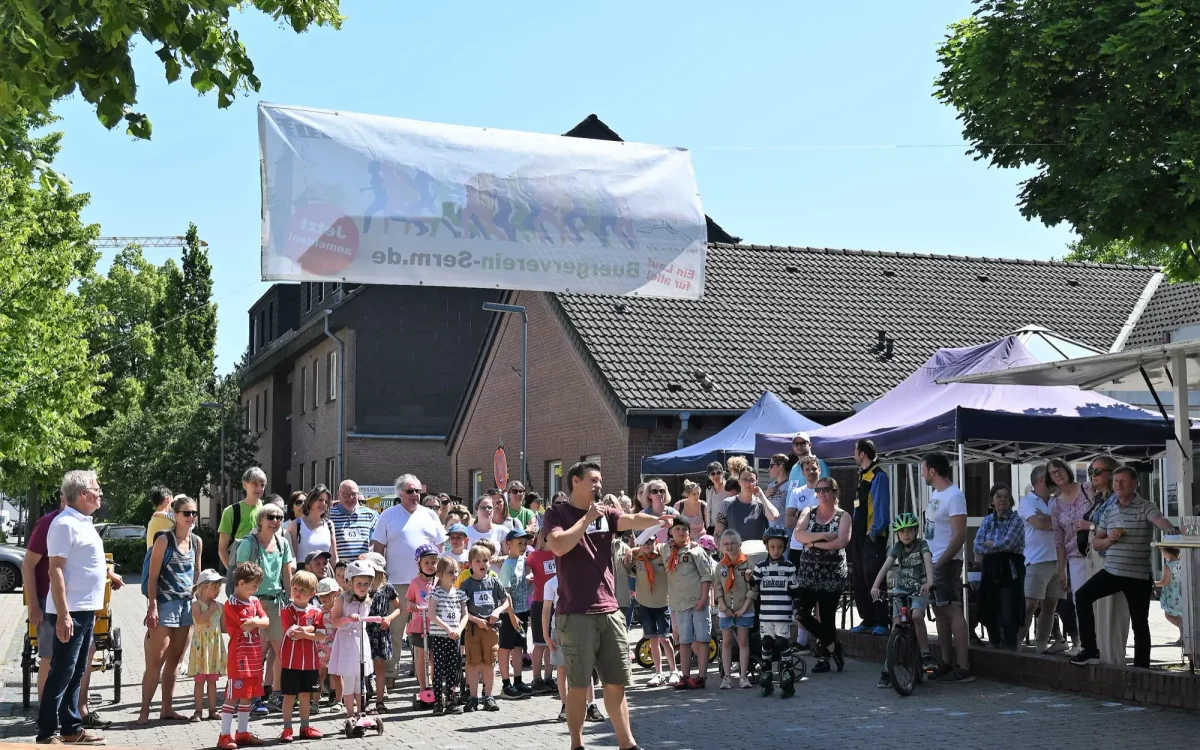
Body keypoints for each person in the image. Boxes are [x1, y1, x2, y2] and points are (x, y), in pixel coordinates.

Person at [542, 460, 670, 750]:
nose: (599, 485)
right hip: (575, 613)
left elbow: (630, 520)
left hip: (610, 610)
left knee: (617, 684)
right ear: (575, 481)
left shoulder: (606, 513)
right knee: (577, 685)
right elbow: (559, 545)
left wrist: (657, 520)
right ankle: (576, 744)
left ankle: (627, 744)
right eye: (593, 480)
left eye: (600, 480)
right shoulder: (556, 513)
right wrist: (586, 519)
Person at [23, 491, 117, 733]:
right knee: (56, 664)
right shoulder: (57, 523)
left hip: (84, 608)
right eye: (97, 489)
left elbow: (83, 562)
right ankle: (47, 728)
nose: (102, 493)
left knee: (76, 668)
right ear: (78, 494)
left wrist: (107, 574)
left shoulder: (83, 522)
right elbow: (41, 567)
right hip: (62, 605)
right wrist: (35, 605)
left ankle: (72, 726)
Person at [1071, 466, 1177, 668]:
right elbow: (1096, 543)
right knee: (1082, 595)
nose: (1118, 485)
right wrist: (1109, 540)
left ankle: (1141, 669)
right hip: (1112, 571)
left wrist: (1172, 531)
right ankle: (1090, 648)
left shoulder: (1146, 506)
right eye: (1115, 481)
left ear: (1135, 483)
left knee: (1140, 623)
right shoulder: (1109, 509)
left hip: (1137, 575)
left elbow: (1160, 521)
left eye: (1123, 481)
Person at [370, 473, 447, 686]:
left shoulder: (430, 515)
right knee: (395, 631)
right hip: (397, 584)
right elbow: (378, 548)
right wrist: (379, 579)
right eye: (410, 491)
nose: (415, 495)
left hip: (427, 584)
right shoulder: (388, 515)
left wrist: (439, 577)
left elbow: (441, 547)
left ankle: (424, 674)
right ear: (400, 493)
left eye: (418, 491)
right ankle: (390, 674)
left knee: (426, 630)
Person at [139, 494, 202, 724]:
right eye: (187, 513)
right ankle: (144, 712)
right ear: (175, 515)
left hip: (186, 606)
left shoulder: (197, 542)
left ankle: (167, 709)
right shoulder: (164, 540)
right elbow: (152, 578)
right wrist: (152, 607)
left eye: (194, 513)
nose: (191, 517)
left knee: (175, 661)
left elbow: (197, 575)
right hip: (164, 606)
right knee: (155, 661)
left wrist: (202, 602)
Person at [234, 501, 296, 713]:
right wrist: (243, 604)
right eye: (270, 516)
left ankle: (276, 695)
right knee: (255, 654)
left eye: (279, 517)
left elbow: (287, 576)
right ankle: (252, 697)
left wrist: (292, 602)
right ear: (260, 519)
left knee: (283, 651)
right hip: (254, 604)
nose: (275, 521)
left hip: (277, 603)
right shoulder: (248, 544)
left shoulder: (282, 543)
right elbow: (240, 577)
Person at [921, 451, 974, 682]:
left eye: (923, 469)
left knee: (952, 610)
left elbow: (960, 534)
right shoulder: (935, 493)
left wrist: (941, 561)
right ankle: (946, 662)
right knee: (939, 612)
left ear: (932, 471)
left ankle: (963, 666)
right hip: (932, 561)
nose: (922, 473)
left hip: (947, 562)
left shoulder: (954, 496)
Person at [792, 477, 850, 675]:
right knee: (800, 613)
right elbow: (799, 534)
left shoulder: (843, 516)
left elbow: (840, 542)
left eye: (826, 489)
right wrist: (823, 536)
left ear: (835, 492)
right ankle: (834, 647)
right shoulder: (809, 511)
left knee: (827, 618)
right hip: (809, 574)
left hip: (832, 575)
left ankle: (824, 658)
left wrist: (813, 543)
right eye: (819, 490)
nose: (822, 493)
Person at [871, 512, 934, 688]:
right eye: (901, 531)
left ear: (916, 531)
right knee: (896, 624)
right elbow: (885, 567)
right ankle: (887, 667)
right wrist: (875, 586)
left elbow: (929, 563)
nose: (906, 534)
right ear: (897, 534)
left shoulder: (922, 545)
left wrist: (929, 582)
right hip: (900, 590)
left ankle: (925, 653)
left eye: (909, 530)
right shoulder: (897, 547)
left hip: (919, 589)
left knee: (916, 616)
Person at [1079, 455, 1130, 665]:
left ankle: (1114, 662)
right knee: (1097, 609)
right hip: (1096, 557)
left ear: (1111, 474)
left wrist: (1088, 527)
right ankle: (1100, 655)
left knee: (1111, 611)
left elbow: (1119, 529)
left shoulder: (1118, 499)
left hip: (1112, 559)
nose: (1093, 476)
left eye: (1098, 471)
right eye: (1091, 471)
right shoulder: (1099, 499)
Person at [541, 558, 603, 724]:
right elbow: (546, 610)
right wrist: (546, 636)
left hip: (581, 627)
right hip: (559, 629)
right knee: (562, 669)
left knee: (586, 666)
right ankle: (564, 705)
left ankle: (591, 705)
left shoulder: (581, 579)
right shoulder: (551, 583)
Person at [216, 562, 270, 750]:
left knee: (248, 696)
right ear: (240, 582)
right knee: (233, 696)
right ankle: (224, 735)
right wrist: (257, 621)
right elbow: (246, 624)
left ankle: (242, 732)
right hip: (239, 658)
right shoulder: (230, 604)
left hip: (254, 656)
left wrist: (257, 621)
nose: (256, 588)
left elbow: (266, 620)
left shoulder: (255, 601)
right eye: (254, 585)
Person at [658, 517, 715, 689]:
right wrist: (661, 522)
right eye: (677, 529)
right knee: (684, 640)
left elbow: (706, 575)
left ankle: (702, 676)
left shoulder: (696, 550)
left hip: (697, 602)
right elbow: (644, 542)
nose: (681, 532)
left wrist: (704, 598)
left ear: (689, 532)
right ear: (670, 532)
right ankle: (685, 676)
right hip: (679, 603)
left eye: (684, 529)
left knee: (702, 638)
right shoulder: (665, 549)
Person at [1018, 465, 1066, 653]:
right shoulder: (1027, 502)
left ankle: (1041, 646)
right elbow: (1039, 523)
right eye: (1050, 477)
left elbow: (1066, 523)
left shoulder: (1057, 501)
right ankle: (1017, 645)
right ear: (1040, 480)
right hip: (1035, 561)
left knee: (1050, 606)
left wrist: (1050, 519)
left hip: (1058, 561)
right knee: (1030, 605)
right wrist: (1056, 521)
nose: (1054, 480)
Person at [974, 483, 1026, 649]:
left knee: (1008, 613)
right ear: (992, 500)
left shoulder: (1016, 520)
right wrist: (994, 545)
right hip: (990, 568)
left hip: (1010, 569)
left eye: (1006, 496)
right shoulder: (987, 520)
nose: (1002, 499)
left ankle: (1010, 649)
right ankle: (994, 646)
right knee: (989, 609)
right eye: (998, 496)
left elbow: (1008, 545)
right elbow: (976, 545)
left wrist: (991, 544)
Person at [278, 571, 326, 742]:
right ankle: (287, 728)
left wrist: (308, 631)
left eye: (303, 590)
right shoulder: (287, 610)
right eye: (295, 588)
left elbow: (322, 635)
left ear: (313, 593)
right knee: (290, 695)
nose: (297, 592)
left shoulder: (316, 611)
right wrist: (311, 629)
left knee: (306, 695)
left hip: (310, 662)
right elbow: (292, 632)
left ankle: (305, 727)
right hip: (291, 661)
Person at [461, 543, 510, 712]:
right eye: (478, 561)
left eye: (486, 560)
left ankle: (488, 696)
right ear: (470, 564)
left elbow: (505, 601)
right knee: (474, 664)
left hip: (491, 629)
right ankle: (473, 697)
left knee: (489, 663)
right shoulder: (466, 585)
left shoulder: (494, 582)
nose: (482, 564)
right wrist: (475, 620)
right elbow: (463, 610)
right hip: (473, 630)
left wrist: (497, 611)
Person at [849, 439, 890, 636]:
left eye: (855, 451)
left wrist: (873, 534)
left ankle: (882, 620)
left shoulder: (878, 475)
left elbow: (881, 510)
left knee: (875, 578)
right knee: (859, 579)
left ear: (862, 454)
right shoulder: (863, 475)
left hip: (872, 538)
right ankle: (867, 618)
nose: (853, 454)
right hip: (858, 537)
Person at [1050, 457, 1090, 657]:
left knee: (1102, 601)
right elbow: (1059, 541)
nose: (1057, 474)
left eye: (1059, 470)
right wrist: (1061, 569)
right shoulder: (1056, 505)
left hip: (1099, 553)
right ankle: (1085, 644)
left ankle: (1104, 644)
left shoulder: (1088, 489)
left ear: (1067, 470)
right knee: (1080, 601)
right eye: (1052, 473)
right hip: (1075, 558)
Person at [328, 560, 375, 722]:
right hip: (347, 641)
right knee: (349, 679)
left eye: (366, 584)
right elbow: (334, 621)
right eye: (359, 583)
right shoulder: (342, 599)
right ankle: (349, 713)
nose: (363, 587)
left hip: (361, 640)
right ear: (350, 582)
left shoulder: (368, 600)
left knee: (360, 679)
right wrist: (347, 619)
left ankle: (360, 711)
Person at [631, 537, 676, 687]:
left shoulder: (662, 554)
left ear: (655, 542)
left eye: (650, 542)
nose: (647, 546)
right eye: (644, 543)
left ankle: (674, 670)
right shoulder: (637, 558)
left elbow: (668, 549)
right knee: (653, 640)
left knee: (665, 638)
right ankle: (658, 673)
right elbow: (626, 562)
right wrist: (630, 551)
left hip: (662, 603)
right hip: (645, 604)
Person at [427, 556, 468, 715]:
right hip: (439, 637)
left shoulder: (460, 594)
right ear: (440, 574)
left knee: (453, 669)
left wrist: (458, 630)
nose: (454, 575)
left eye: (456, 572)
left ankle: (451, 700)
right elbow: (431, 614)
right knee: (439, 668)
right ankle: (438, 701)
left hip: (454, 637)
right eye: (450, 572)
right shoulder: (435, 593)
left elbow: (465, 615)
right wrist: (447, 628)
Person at [715, 529, 755, 689]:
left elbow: (753, 588)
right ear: (721, 547)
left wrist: (744, 608)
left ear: (739, 545)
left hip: (744, 609)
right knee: (727, 642)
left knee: (743, 642)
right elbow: (717, 588)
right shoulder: (720, 566)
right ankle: (726, 677)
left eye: (733, 543)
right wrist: (723, 607)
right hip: (726, 610)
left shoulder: (748, 565)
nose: (730, 547)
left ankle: (743, 677)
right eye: (726, 544)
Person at [498, 528, 534, 698]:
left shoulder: (522, 560)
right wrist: (511, 615)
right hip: (508, 613)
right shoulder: (507, 565)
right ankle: (506, 684)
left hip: (521, 611)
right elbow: (505, 594)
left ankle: (518, 680)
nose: (523, 546)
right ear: (509, 544)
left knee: (519, 647)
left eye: (525, 543)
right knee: (505, 648)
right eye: (519, 543)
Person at [362, 552, 401, 712]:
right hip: (365, 631)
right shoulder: (362, 587)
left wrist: (389, 618)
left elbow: (399, 608)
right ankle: (363, 698)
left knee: (379, 665)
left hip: (380, 631)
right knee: (362, 664)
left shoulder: (387, 588)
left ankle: (379, 700)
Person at [405, 545, 439, 709]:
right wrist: (412, 605)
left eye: (434, 562)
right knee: (421, 656)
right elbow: (409, 600)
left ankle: (434, 685)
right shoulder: (415, 582)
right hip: (420, 622)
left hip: (435, 623)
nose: (431, 565)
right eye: (427, 562)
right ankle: (422, 686)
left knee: (433, 657)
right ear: (420, 564)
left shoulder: (439, 581)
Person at [189, 569, 226, 722]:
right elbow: (200, 620)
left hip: (214, 647)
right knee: (199, 681)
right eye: (214, 587)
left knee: (212, 681)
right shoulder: (196, 605)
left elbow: (224, 627)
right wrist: (211, 610)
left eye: (219, 588)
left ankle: (213, 709)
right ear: (203, 587)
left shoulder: (219, 606)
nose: (218, 591)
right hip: (201, 648)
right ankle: (198, 711)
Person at [526, 531, 558, 694]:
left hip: (557, 603)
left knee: (551, 644)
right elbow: (524, 567)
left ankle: (548, 677)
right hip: (540, 603)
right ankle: (536, 678)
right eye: (546, 536)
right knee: (539, 644)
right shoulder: (534, 556)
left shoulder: (558, 553)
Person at [218, 467, 267, 571]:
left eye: (262, 485)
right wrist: (234, 572)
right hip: (241, 572)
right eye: (255, 484)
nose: (259, 489)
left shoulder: (268, 510)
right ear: (245, 485)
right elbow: (222, 549)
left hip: (264, 570)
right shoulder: (231, 511)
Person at [715, 466, 779, 541]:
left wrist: (761, 495)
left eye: (752, 480)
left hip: (756, 551)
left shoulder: (761, 504)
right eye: (744, 480)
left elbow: (774, 517)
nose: (748, 483)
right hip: (734, 551)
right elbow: (718, 532)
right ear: (739, 481)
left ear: (756, 482)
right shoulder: (727, 504)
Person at [289, 485, 337, 572]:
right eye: (320, 500)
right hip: (303, 577)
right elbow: (292, 557)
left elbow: (334, 557)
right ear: (311, 501)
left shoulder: (329, 525)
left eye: (326, 502)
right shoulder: (296, 525)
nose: (323, 504)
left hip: (324, 576)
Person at [329, 479, 378, 563]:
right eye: (346, 495)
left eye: (353, 494)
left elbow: (376, 539)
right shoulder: (329, 515)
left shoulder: (369, 515)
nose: (350, 498)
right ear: (338, 495)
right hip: (339, 570)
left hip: (363, 570)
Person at [315, 577, 340, 706]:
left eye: (327, 594)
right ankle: (315, 700)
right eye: (321, 595)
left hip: (336, 646)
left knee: (335, 673)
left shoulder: (339, 609)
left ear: (335, 593)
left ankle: (337, 697)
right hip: (320, 647)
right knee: (320, 674)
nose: (323, 598)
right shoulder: (318, 610)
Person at [1157, 547, 1184, 646]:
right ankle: (1183, 636)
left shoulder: (1168, 565)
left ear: (1166, 552)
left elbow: (1165, 581)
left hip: (1173, 594)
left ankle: (1183, 629)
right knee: (1181, 615)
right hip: (1183, 592)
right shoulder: (1183, 562)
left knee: (1169, 614)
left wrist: (1154, 584)